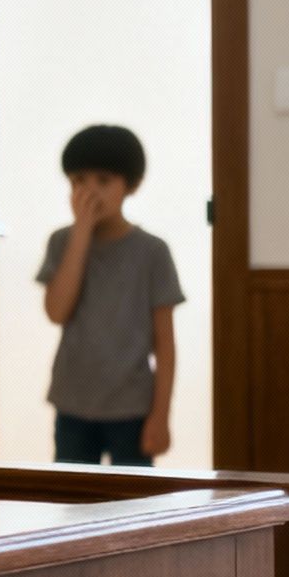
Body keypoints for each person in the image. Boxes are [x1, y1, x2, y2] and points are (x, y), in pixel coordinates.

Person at [38, 124, 185, 467]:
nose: (91, 192)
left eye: (103, 181)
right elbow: (57, 311)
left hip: (132, 406)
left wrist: (161, 415)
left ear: (130, 185)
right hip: (72, 402)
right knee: (72, 503)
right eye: (79, 181)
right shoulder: (62, 242)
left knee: (133, 506)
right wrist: (81, 233)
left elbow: (165, 342)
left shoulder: (152, 251)